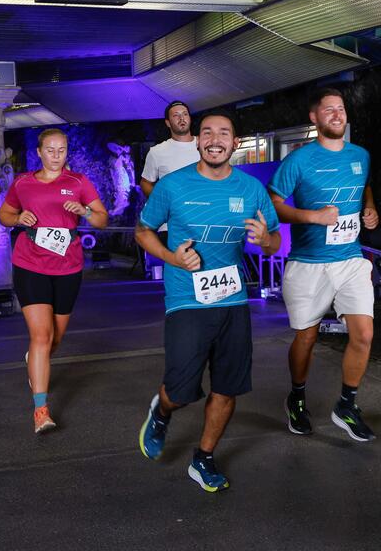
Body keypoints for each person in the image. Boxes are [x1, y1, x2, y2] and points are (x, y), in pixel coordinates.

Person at [136, 110, 281, 493]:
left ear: (236, 143)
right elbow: (143, 232)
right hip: (186, 298)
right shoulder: (172, 186)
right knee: (181, 390)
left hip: (232, 299)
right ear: (198, 141)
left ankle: (203, 458)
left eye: (224, 133)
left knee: (227, 388)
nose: (215, 139)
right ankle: (162, 411)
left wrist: (265, 241)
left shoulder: (251, 189)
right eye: (207, 133)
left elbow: (275, 240)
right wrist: (172, 258)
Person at [268, 87, 381, 442]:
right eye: (328, 110)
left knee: (363, 333)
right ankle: (297, 398)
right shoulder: (298, 161)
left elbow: (365, 186)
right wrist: (312, 217)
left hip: (350, 260)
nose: (337, 114)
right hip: (308, 263)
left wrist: (370, 208)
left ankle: (347, 404)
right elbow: (272, 203)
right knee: (307, 336)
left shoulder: (360, 155)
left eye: (341, 109)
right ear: (314, 118)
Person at [0, 128, 109, 433]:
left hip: (68, 266)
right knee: (42, 337)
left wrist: (86, 211)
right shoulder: (23, 183)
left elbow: (102, 218)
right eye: (50, 150)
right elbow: (6, 214)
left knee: (54, 339)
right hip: (30, 263)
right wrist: (18, 218)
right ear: (39, 152)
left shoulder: (78, 183)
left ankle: (34, 357)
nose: (56, 156)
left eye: (61, 150)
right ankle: (41, 410)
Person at [139, 100, 199, 198]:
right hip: (175, 212)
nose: (182, 118)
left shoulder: (206, 144)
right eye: (176, 115)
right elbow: (145, 183)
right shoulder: (157, 151)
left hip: (206, 209)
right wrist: (161, 203)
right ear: (168, 123)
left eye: (185, 114)